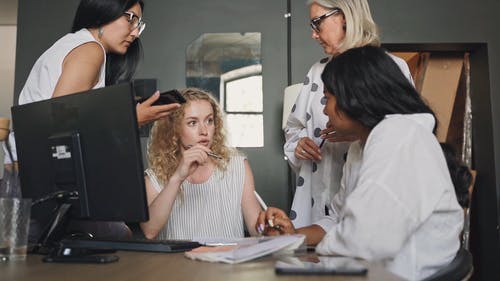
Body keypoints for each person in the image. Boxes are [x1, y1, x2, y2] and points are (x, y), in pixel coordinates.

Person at [258, 46, 465, 281]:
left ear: (352, 97)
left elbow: (366, 239)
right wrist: (293, 235)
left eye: (327, 98)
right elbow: (339, 219)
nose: (324, 109)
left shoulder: (399, 137)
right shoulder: (361, 147)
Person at [10, 0, 181, 240]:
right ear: (103, 11)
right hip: (34, 184)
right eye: (130, 18)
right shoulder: (91, 50)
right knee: (119, 237)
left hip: (29, 177)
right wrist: (131, 119)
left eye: (139, 23)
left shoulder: (74, 45)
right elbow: (58, 126)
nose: (134, 32)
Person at [284, 0, 413, 228]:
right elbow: (293, 126)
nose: (314, 34)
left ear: (343, 16)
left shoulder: (391, 67)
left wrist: (360, 132)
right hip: (318, 202)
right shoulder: (317, 71)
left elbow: (409, 136)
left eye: (317, 23)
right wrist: (299, 144)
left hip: (371, 199)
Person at [140, 88, 261, 240]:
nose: (204, 131)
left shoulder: (237, 166)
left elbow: (257, 227)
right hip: (177, 264)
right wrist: (177, 177)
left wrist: (270, 226)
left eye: (209, 121)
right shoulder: (154, 177)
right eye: (192, 123)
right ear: (174, 130)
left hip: (228, 262)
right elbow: (149, 231)